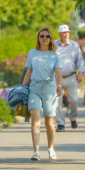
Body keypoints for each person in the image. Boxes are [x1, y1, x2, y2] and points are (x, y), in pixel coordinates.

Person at [22, 27, 63, 161]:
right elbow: (28, 72)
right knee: (35, 119)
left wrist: (59, 86)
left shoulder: (55, 54)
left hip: (50, 88)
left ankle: (50, 148)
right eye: (41, 36)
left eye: (47, 36)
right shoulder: (32, 53)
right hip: (35, 87)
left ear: (51, 38)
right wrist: (23, 88)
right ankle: (36, 151)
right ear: (38, 38)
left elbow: (57, 72)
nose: (44, 38)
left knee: (49, 122)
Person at [54, 24, 85, 132]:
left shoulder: (74, 45)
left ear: (69, 33)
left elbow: (80, 60)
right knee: (57, 101)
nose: (65, 34)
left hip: (71, 77)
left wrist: (80, 73)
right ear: (59, 34)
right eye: (63, 33)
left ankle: (72, 118)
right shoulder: (53, 45)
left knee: (74, 100)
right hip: (57, 78)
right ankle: (60, 124)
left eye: (67, 32)